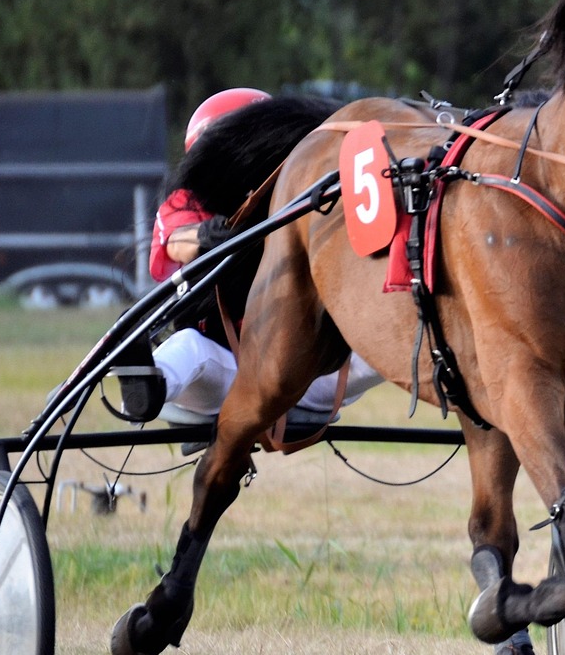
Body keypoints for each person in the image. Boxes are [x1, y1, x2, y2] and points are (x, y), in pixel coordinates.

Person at [133, 87, 383, 421]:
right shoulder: (185, 202)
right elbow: (176, 244)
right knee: (189, 348)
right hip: (227, 370)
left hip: (308, 372)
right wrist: (213, 234)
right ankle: (146, 387)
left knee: (384, 337)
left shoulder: (306, 196)